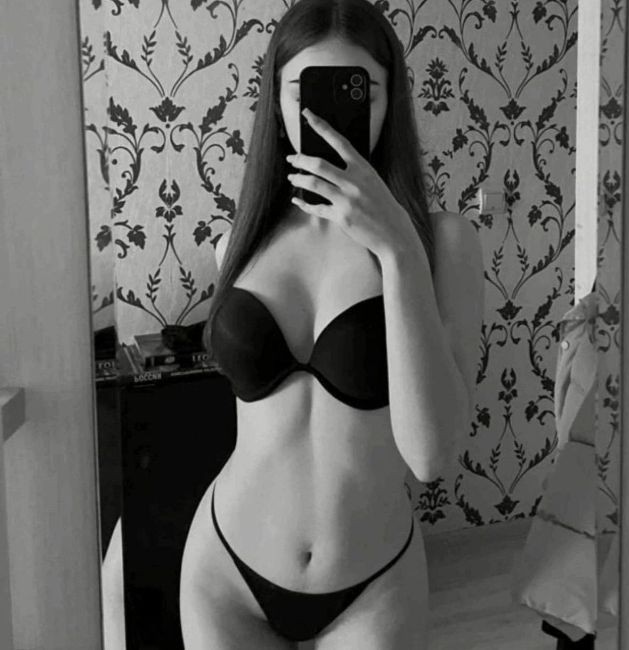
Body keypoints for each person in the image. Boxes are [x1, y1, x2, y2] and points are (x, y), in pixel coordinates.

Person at [180, 0, 484, 648]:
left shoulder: (444, 244)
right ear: (276, 101)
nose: (323, 116)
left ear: (390, 102)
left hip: (373, 587)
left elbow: (432, 458)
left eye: (357, 92)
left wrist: (398, 250)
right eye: (303, 91)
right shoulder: (239, 242)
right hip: (224, 571)